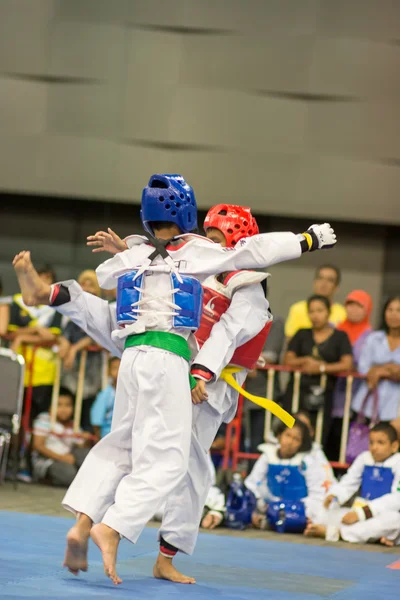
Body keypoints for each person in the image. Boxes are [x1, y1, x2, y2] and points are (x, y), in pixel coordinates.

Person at [13, 174, 337, 585]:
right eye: (211, 234)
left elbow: (216, 315)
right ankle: (111, 527)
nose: (215, 241)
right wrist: (307, 240)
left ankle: (93, 524)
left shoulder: (217, 273)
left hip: (163, 362)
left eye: (222, 236)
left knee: (131, 447)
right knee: (172, 462)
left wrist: (131, 247)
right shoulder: (207, 260)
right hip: (176, 363)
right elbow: (220, 271)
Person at [305, 423, 400, 544]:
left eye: (380, 443)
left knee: (394, 520)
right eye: (371, 442)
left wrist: (361, 514)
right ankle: (373, 536)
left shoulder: (398, 462)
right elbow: (349, 481)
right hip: (357, 512)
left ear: (394, 446)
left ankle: (337, 533)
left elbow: (397, 499)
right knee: (321, 510)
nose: (374, 447)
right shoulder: (364, 458)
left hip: (379, 514)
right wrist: (335, 494)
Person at [283, 295, 353, 451]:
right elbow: (288, 359)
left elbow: (347, 363)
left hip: (324, 395)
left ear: (329, 312)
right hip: (297, 392)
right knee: (291, 430)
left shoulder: (340, 336)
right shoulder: (302, 333)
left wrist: (322, 368)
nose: (315, 315)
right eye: (312, 311)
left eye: (320, 310)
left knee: (318, 436)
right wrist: (305, 360)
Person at [244, 419, 327, 531]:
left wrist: (305, 513)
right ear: (279, 435)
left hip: (298, 511)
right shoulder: (267, 456)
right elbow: (252, 483)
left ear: (301, 444)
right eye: (288, 435)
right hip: (270, 508)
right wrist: (259, 505)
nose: (290, 442)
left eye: (296, 439)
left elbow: (317, 493)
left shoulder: (307, 461)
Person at [329, 290, 373, 459]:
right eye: (350, 305)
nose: (353, 310)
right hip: (332, 391)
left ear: (367, 309)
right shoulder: (335, 329)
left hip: (356, 395)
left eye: (359, 306)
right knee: (329, 435)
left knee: (349, 438)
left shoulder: (371, 335)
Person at [58, 270, 103, 430]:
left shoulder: (100, 308)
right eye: (83, 284)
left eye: (91, 284)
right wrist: (64, 343)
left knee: (88, 410)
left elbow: (97, 334)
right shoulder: (72, 308)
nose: (87, 287)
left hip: (90, 371)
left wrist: (75, 348)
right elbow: (66, 332)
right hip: (72, 371)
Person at [351, 296, 400, 422]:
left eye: (398, 310)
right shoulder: (373, 338)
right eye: (390, 310)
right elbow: (363, 368)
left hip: (395, 409)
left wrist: (381, 370)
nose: (393, 315)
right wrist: (390, 369)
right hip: (368, 404)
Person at [31, 388, 91, 487]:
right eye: (58, 405)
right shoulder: (44, 420)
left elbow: (81, 447)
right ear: (50, 407)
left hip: (68, 458)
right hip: (49, 461)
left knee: (87, 453)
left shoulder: (73, 424)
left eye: (68, 405)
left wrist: (86, 440)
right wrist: (62, 458)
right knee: (69, 475)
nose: (64, 409)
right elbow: (38, 445)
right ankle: (48, 478)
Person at [285, 265, 346, 339]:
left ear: (336, 287)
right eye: (320, 278)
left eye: (330, 280)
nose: (324, 284)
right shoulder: (297, 309)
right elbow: (290, 341)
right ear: (314, 282)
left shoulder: (344, 313)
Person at [90, 357, 120, 440]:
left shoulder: (131, 393)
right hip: (108, 435)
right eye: (115, 368)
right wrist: (99, 439)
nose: (119, 371)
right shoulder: (106, 394)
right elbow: (96, 420)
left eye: (122, 367)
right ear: (108, 372)